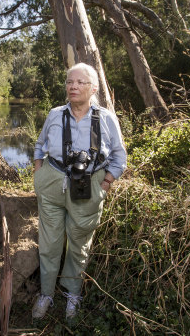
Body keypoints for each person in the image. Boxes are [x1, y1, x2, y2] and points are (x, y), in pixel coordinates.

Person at [32, 62, 127, 320]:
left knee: (79, 243)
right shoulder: (55, 114)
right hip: (52, 183)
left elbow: (120, 156)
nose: (72, 87)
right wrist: (39, 172)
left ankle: (72, 293)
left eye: (80, 82)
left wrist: (105, 182)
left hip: (89, 185)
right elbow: (40, 145)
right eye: (69, 82)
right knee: (49, 243)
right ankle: (47, 294)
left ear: (93, 88)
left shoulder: (106, 118)